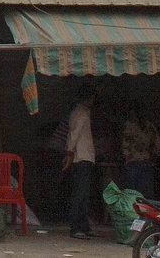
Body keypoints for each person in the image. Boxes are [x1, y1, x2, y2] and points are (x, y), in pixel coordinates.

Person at [63, 84, 97, 239]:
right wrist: (69, 152)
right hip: (81, 157)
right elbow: (74, 135)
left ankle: (84, 226)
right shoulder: (81, 114)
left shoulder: (81, 112)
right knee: (80, 194)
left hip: (84, 157)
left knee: (83, 195)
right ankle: (76, 227)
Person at [120, 101, 160, 198]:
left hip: (135, 164)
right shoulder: (148, 126)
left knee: (132, 197)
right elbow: (158, 147)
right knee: (144, 197)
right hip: (142, 163)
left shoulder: (130, 126)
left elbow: (124, 146)